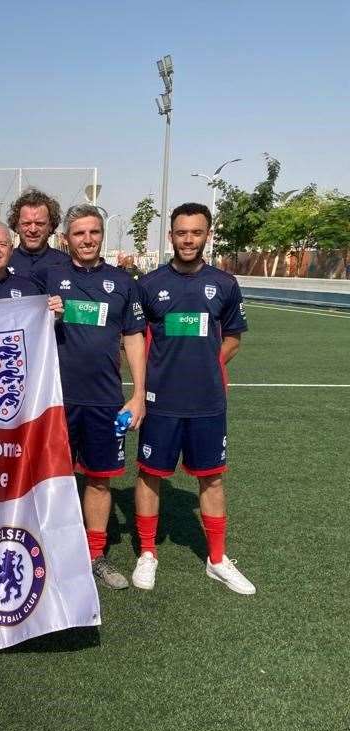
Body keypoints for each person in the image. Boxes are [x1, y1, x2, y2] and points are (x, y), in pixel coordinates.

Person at [131, 203, 254, 595]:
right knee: (150, 475)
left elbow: (233, 336)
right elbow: (132, 338)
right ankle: (147, 553)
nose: (188, 239)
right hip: (160, 401)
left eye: (196, 232)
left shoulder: (225, 283)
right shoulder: (148, 285)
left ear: (207, 235)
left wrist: (203, 367)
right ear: (171, 236)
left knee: (212, 479)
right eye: (181, 232)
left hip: (207, 402)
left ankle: (217, 559)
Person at [32, 205, 147, 590]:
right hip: (54, 401)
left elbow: (133, 337)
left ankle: (94, 555)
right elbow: (3, 295)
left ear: (102, 235)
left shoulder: (122, 282)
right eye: (79, 233)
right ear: (66, 238)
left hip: (104, 400)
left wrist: (138, 397)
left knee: (99, 480)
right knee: (54, 480)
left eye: (94, 232)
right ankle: (55, 552)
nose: (87, 239)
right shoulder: (48, 275)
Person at [7, 188, 70, 278]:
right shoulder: (3, 263)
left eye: (39, 223)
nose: (33, 230)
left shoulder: (66, 264)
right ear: (16, 226)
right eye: (26, 223)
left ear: (51, 226)